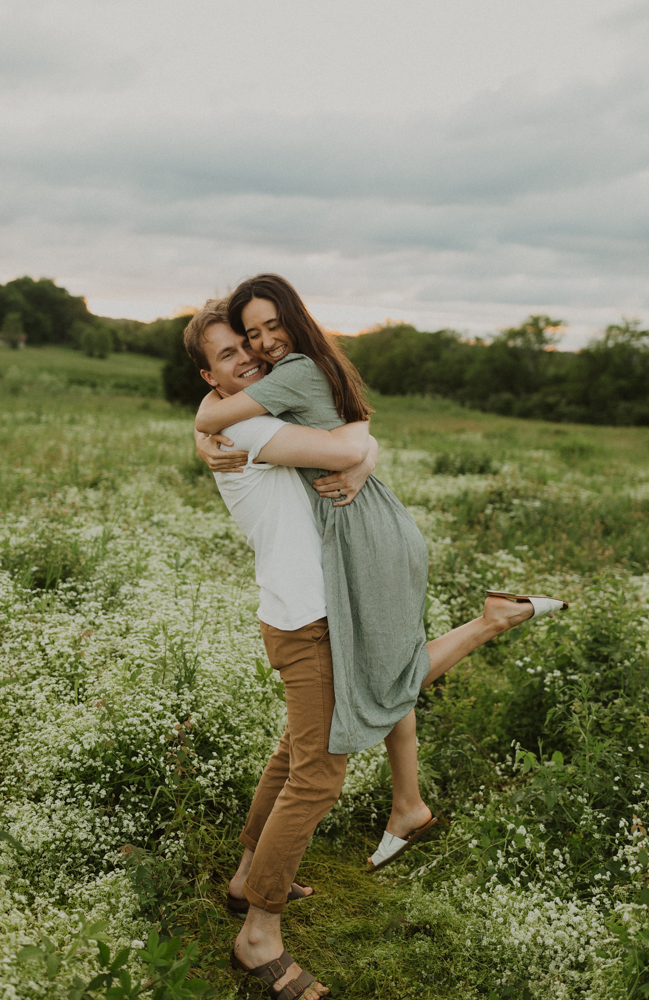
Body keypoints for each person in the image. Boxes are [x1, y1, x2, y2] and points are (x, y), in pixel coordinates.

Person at [188, 294, 567, 1000]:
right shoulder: (248, 430)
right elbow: (347, 443)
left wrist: (363, 456)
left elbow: (356, 439)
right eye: (230, 354)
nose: (250, 357)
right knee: (318, 777)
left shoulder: (259, 418)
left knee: (294, 752)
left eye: (249, 344)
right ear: (211, 377)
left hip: (313, 613)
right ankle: (257, 938)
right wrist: (360, 455)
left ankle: (248, 879)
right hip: (309, 621)